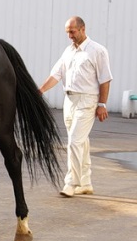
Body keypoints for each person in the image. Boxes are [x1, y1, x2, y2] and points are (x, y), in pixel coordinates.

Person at [38, 16, 113, 197]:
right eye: (67, 32)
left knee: (74, 142)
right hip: (69, 101)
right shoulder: (68, 51)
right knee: (81, 141)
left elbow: (105, 79)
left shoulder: (97, 51)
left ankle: (71, 183)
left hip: (88, 101)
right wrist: (39, 91)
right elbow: (56, 75)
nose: (70, 35)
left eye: (72, 31)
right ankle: (86, 182)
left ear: (82, 29)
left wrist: (102, 104)